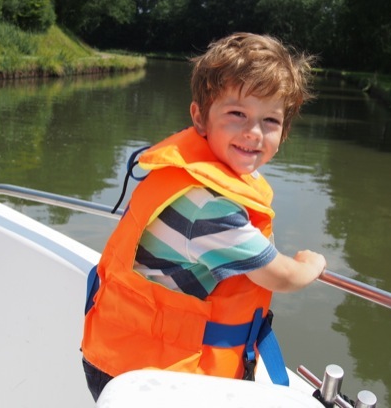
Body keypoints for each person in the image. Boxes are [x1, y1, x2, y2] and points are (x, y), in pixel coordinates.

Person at [81, 32, 327, 401]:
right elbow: (281, 277)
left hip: (117, 357)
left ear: (284, 131)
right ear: (200, 117)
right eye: (237, 114)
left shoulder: (191, 176)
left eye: (270, 121)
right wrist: (311, 264)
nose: (253, 133)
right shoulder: (208, 207)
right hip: (142, 377)